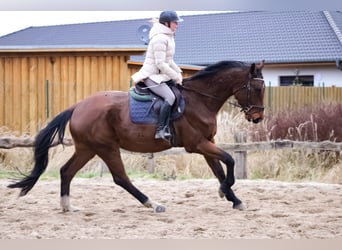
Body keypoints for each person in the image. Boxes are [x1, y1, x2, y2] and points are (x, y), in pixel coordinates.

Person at [131, 11, 183, 139]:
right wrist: (175, 76)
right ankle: (160, 129)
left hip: (161, 75)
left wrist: (179, 72)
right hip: (151, 76)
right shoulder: (160, 38)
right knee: (170, 97)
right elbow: (160, 64)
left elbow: (169, 61)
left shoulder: (168, 37)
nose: (177, 25)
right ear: (166, 23)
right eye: (175, 22)